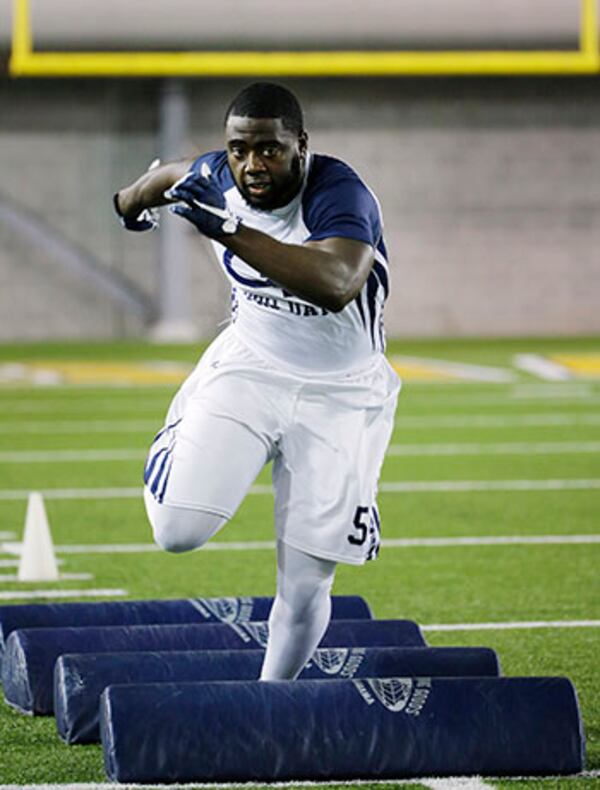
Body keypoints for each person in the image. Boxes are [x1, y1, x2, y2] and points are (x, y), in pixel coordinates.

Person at [113, 82, 400, 681]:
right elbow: (164, 178)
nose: (253, 165)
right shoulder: (218, 175)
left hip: (341, 394)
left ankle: (272, 701)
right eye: (240, 150)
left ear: (301, 146)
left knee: (304, 583)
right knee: (178, 531)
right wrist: (130, 204)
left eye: (269, 150)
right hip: (251, 365)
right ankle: (183, 426)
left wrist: (226, 230)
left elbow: (337, 281)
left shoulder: (339, 191)